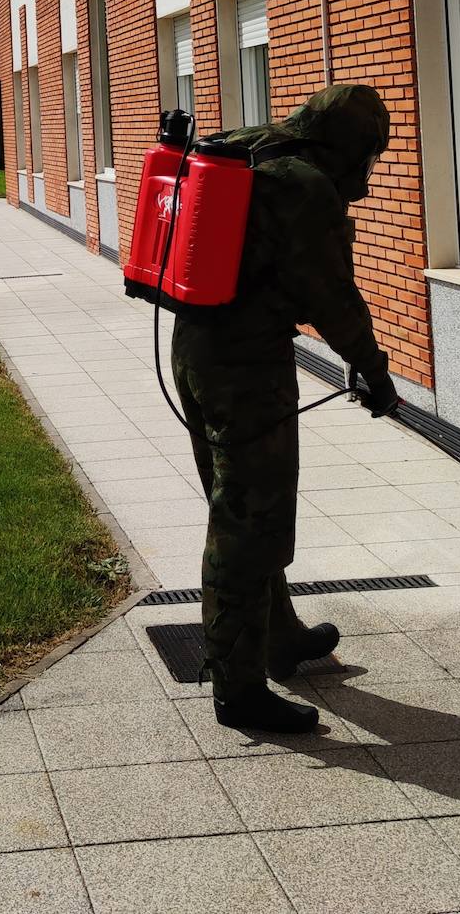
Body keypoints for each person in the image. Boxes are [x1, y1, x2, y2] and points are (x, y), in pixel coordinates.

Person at [171, 84, 399, 734]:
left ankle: (279, 638)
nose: (367, 171)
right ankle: (237, 686)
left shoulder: (251, 146)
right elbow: (331, 295)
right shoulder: (305, 187)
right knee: (248, 522)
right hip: (245, 369)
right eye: (369, 155)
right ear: (351, 146)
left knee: (246, 507)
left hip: (193, 347)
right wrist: (374, 371)